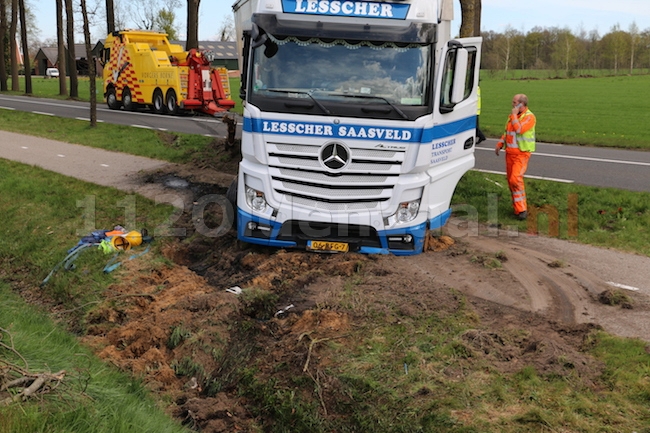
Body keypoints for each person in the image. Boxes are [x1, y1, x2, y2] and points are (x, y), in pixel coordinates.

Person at [495, 94, 536, 220]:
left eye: (514, 103)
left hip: (521, 154)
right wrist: (500, 143)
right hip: (510, 153)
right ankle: (518, 209)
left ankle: (522, 209)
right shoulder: (512, 117)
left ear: (521, 104)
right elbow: (508, 132)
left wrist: (513, 115)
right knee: (510, 182)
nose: (512, 105)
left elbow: (519, 130)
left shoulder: (529, 117)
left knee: (515, 179)